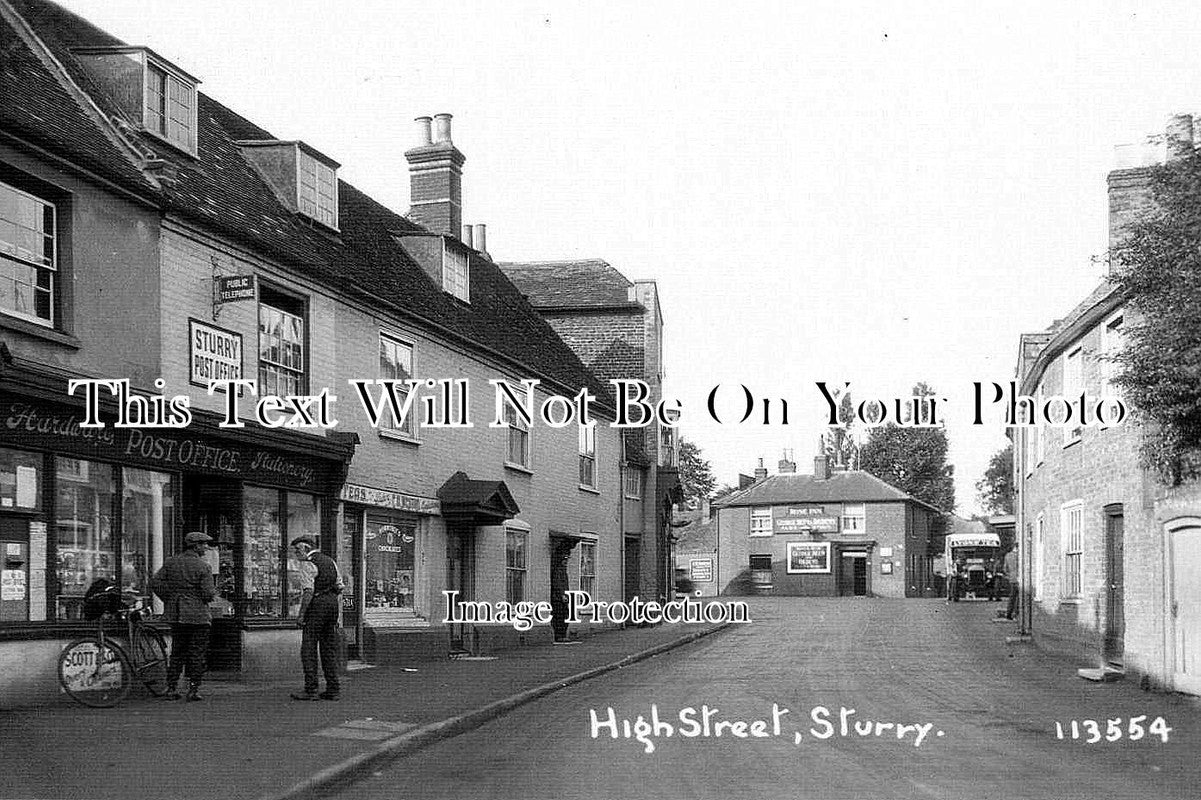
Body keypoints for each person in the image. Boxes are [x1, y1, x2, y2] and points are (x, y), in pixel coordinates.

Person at [149, 532, 216, 702]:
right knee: (197, 653)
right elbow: (208, 594)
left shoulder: (171, 562)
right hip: (198, 615)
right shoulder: (203, 566)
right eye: (204, 544)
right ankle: (193, 689)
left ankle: (172, 687)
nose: (206, 548)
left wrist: (169, 598)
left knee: (177, 652)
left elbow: (155, 583)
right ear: (196, 546)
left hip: (177, 614)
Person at [289, 536, 343, 701]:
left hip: (316, 604)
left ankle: (311, 689)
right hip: (332, 603)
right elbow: (340, 586)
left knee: (309, 647)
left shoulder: (308, 563)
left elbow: (308, 591)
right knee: (328, 648)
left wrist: (301, 614)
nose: (296, 554)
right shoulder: (330, 561)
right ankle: (333, 688)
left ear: (306, 548)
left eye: (297, 550)